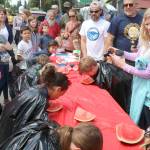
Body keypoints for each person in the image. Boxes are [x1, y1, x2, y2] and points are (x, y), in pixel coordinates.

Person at [0, 64, 70, 144]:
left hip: (4, 125)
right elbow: (41, 124)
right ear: (58, 89)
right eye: (61, 94)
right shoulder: (41, 99)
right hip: (11, 135)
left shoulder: (38, 88)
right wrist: (62, 129)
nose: (58, 98)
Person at [109, 8, 150, 130]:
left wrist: (122, 65)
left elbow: (148, 74)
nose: (149, 27)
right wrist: (120, 52)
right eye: (147, 24)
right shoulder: (147, 42)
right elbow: (138, 56)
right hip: (141, 92)